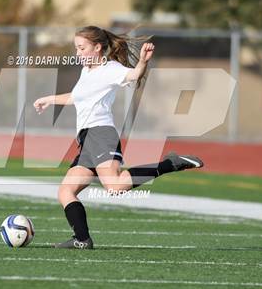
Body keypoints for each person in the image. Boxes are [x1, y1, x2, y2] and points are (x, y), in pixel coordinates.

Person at [33, 26, 203, 249]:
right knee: (66, 191)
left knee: (114, 186)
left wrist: (142, 62)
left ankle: (169, 164)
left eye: (82, 48)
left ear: (97, 47)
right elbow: (77, 97)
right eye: (76, 48)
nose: (78, 53)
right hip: (86, 141)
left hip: (101, 134)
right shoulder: (87, 70)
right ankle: (82, 239)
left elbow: (133, 75)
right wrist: (49, 99)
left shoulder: (110, 68)